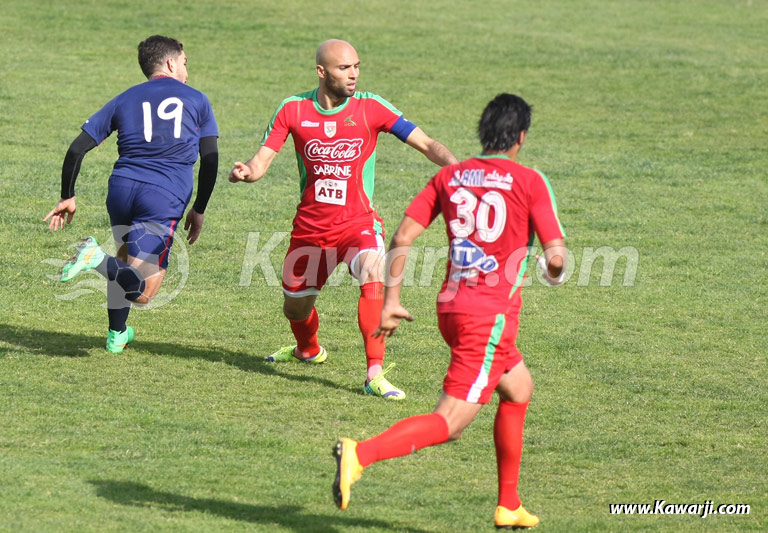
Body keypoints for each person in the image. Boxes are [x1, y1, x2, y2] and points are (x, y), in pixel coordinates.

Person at [332, 93, 567, 529]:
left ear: (483, 131)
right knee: (451, 423)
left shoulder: (452, 177)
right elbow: (556, 257)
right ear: (520, 137)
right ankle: (360, 454)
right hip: (488, 318)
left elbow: (402, 236)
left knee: (518, 388)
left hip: (451, 309)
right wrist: (552, 269)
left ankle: (509, 504)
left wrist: (393, 301)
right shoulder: (531, 181)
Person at [229, 39, 457, 400]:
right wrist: (247, 172)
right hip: (309, 229)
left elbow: (428, 144)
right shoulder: (293, 110)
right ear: (322, 72)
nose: (353, 75)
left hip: (358, 224)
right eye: (343, 68)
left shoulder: (371, 107)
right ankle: (308, 349)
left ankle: (374, 374)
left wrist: (459, 169)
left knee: (373, 273)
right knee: (295, 307)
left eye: (356, 67)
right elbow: (262, 161)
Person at [43, 35, 219, 353]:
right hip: (163, 197)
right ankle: (93, 258)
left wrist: (67, 195)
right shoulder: (197, 100)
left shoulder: (125, 98)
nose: (187, 71)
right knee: (143, 290)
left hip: (122, 190)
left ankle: (117, 334)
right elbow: (210, 158)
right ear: (170, 63)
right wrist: (200, 207)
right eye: (184, 62)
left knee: (123, 262)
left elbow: (77, 148)